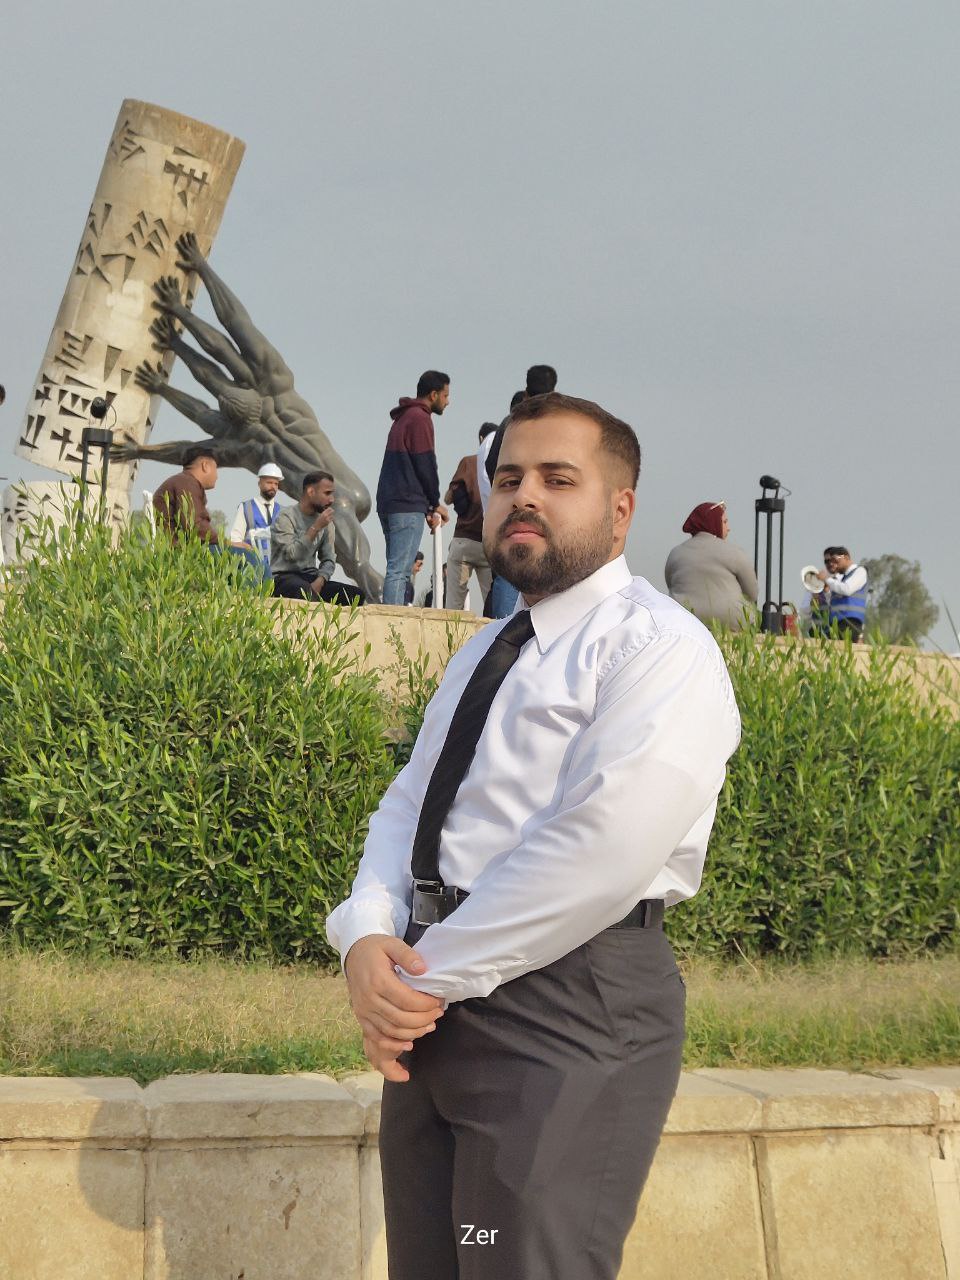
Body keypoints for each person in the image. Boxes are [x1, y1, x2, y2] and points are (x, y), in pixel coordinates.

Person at [327, 391, 740, 1280]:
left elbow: (600, 851)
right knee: (438, 1263)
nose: (525, 497)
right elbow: (410, 805)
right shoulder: (485, 652)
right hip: (437, 1005)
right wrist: (363, 935)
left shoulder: (660, 649)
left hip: (567, 1008)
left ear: (620, 509)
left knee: (523, 1264)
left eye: (559, 479)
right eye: (510, 477)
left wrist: (416, 979)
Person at [376, 372, 450, 606]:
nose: (448, 402)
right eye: (445, 395)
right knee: (400, 570)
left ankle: (392, 616)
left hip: (390, 501)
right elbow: (424, 463)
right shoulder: (419, 418)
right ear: (434, 394)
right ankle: (392, 623)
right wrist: (434, 502)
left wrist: (427, 506)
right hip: (406, 504)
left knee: (396, 568)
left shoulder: (404, 417)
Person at [271, 471, 364, 604]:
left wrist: (320, 581)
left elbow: (329, 559)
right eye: (327, 493)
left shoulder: (327, 523)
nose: (331, 499)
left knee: (355, 595)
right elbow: (292, 555)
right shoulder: (286, 517)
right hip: (283, 577)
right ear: (311, 492)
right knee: (303, 590)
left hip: (311, 578)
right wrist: (316, 527)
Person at [664, 501, 758, 630]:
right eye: (724, 522)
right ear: (714, 522)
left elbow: (671, 584)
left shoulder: (675, 553)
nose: (728, 528)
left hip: (683, 619)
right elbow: (752, 594)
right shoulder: (735, 552)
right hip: (732, 621)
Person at [443, 432, 493, 612]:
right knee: (493, 605)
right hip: (488, 545)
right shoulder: (500, 466)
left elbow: (448, 499)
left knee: (453, 606)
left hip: (464, 541)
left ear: (480, 438)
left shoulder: (468, 462)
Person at [152, 444, 220, 544]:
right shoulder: (187, 483)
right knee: (240, 551)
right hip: (175, 550)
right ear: (205, 465)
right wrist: (224, 542)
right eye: (215, 468)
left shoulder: (184, 481)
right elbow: (194, 525)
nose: (217, 476)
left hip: (178, 547)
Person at [228, 462, 285, 576]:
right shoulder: (246, 507)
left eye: (276, 483)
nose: (273, 486)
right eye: (269, 482)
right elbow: (235, 540)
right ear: (259, 483)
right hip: (251, 569)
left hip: (278, 572)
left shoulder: (283, 511)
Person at [814, 546, 868, 640]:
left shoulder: (860, 571)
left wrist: (827, 579)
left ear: (846, 557)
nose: (834, 565)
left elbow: (847, 589)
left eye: (836, 561)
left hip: (850, 623)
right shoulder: (842, 580)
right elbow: (833, 603)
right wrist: (827, 591)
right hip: (836, 623)